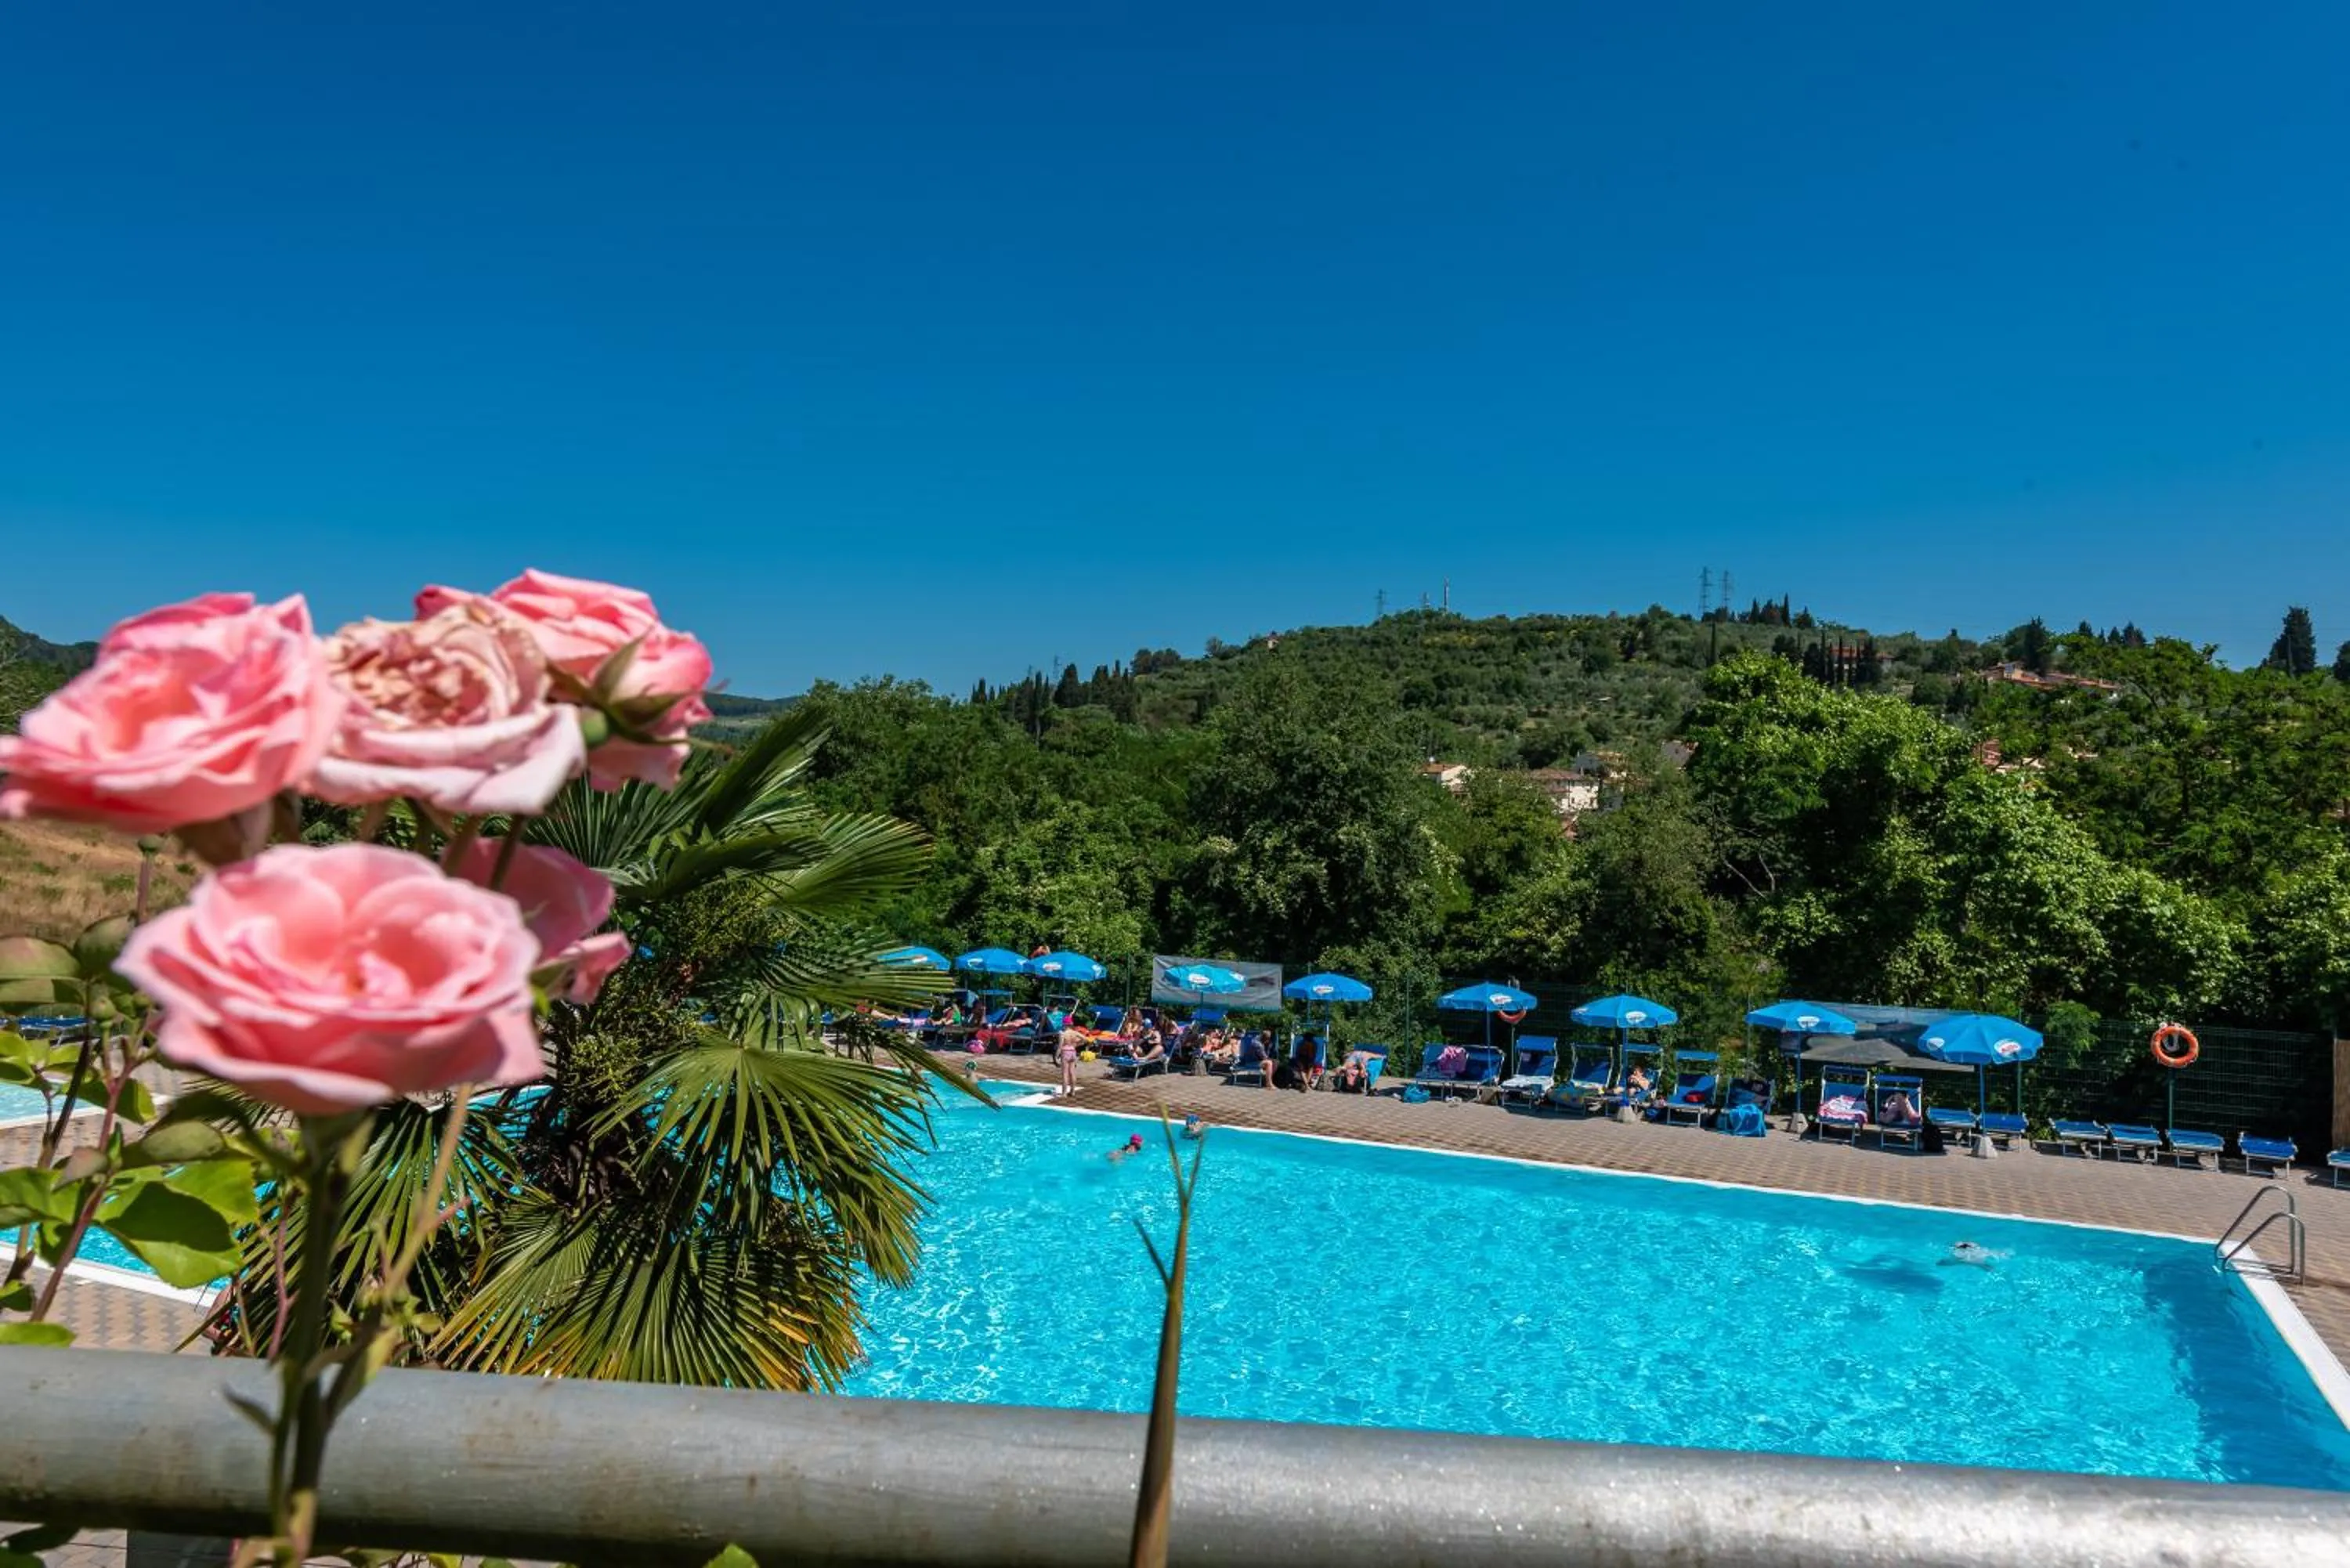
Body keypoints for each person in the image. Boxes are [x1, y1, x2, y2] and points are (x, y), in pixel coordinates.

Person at [1055, 1023, 1083, 1094]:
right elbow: (1085, 1039)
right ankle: (1073, 1091)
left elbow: (1060, 1046)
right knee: (1072, 1072)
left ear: (1065, 1025)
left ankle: (1064, 1093)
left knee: (1065, 1073)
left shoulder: (1063, 1034)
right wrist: (1077, 1044)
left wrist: (1056, 1056)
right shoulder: (1075, 1033)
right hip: (1073, 1052)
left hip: (1065, 1052)